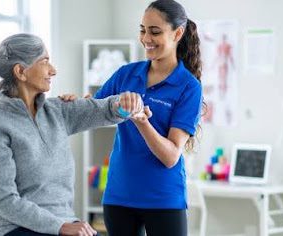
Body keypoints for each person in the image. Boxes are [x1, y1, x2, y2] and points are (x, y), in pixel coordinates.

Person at [0, 33, 145, 236]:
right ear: (21, 71)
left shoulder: (57, 111)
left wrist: (125, 104)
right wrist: (60, 227)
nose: (53, 70)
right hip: (14, 228)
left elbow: (103, 110)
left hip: (61, 222)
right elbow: (4, 201)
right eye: (44, 61)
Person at [95, 0, 204, 235]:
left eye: (155, 32)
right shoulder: (126, 74)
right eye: (142, 30)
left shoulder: (188, 87)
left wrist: (142, 121)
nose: (146, 38)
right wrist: (74, 102)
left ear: (178, 33)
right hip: (119, 195)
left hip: (163, 199)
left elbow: (171, 156)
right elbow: (94, 111)